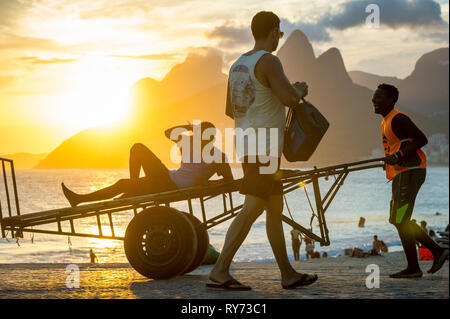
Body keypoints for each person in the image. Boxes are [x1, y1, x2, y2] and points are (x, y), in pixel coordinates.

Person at [207, 11, 317, 291]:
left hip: (247, 143)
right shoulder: (269, 60)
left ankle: (288, 274)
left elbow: (230, 110)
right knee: (254, 204)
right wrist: (300, 89)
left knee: (274, 208)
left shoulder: (237, 65)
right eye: (279, 34)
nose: (279, 38)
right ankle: (220, 270)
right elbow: (290, 98)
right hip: (263, 146)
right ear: (273, 31)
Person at [372, 83, 448, 278]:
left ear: (390, 100)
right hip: (401, 174)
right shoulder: (385, 121)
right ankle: (424, 260)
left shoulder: (398, 118)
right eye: (374, 97)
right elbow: (397, 146)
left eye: (378, 97)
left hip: (410, 173)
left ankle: (430, 257)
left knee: (400, 219)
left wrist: (398, 156)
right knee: (397, 219)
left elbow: (422, 139)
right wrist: (391, 160)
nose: (374, 100)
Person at [61, 122, 233, 206]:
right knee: (137, 149)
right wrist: (188, 127)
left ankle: (80, 199)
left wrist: (207, 183)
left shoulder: (218, 156)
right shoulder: (188, 142)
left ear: (210, 138)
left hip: (172, 185)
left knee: (123, 183)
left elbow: (229, 182)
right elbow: (168, 132)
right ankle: (132, 188)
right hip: (166, 177)